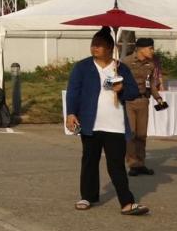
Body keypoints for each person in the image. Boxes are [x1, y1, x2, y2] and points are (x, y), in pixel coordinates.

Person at [64, 28, 149, 216]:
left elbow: (134, 92)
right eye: (93, 43)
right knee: (89, 161)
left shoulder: (120, 68)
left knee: (116, 164)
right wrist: (71, 113)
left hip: (115, 125)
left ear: (110, 48)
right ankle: (88, 196)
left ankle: (126, 202)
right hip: (91, 123)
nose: (94, 47)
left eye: (99, 44)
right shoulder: (82, 67)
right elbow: (73, 91)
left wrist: (121, 88)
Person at [121, 37, 165, 176]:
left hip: (144, 101)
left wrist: (158, 98)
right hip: (129, 102)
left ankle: (141, 163)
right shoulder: (126, 62)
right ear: (141, 49)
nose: (153, 51)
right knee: (131, 134)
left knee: (142, 135)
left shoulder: (151, 64)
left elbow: (151, 84)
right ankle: (133, 163)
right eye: (150, 48)